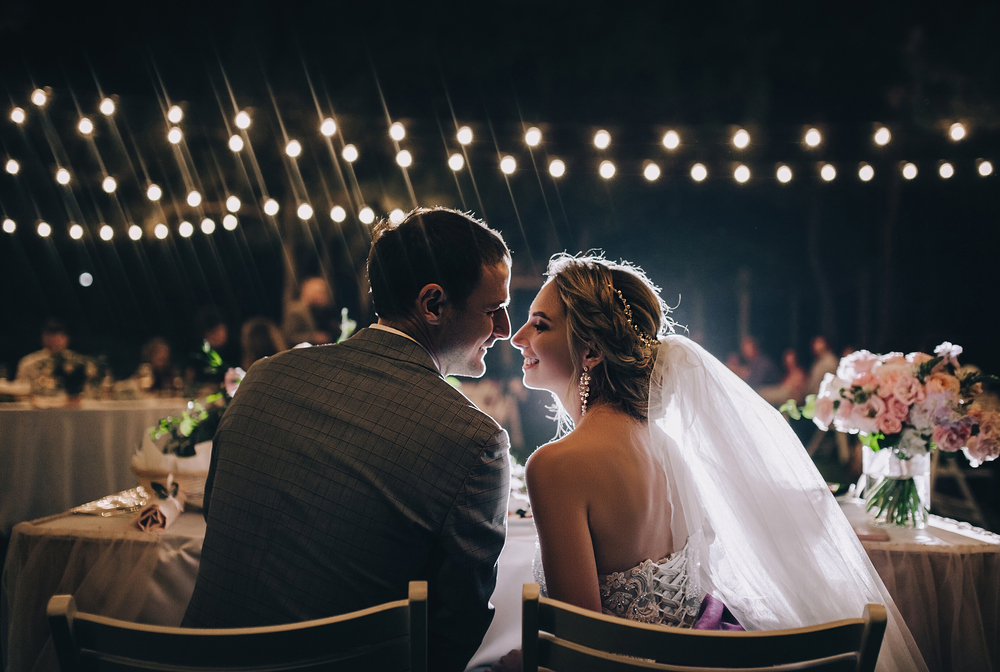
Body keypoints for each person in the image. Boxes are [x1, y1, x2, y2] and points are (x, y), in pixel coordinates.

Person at [493, 253, 926, 672]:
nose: (517, 337)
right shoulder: (669, 449)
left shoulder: (555, 466)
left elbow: (580, 652)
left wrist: (528, 662)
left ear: (591, 351)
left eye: (540, 324)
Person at [182, 207, 513, 672]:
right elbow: (453, 632)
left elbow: (219, 516)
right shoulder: (474, 441)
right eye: (493, 310)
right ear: (433, 305)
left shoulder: (264, 376)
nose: (505, 330)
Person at [14, 318, 90, 394]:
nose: (54, 340)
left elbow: (88, 389)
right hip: (38, 400)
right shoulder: (28, 363)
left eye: (58, 336)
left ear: (67, 338)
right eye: (50, 335)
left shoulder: (80, 363)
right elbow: (19, 390)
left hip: (71, 400)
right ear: (43, 337)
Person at [282, 276, 339, 345]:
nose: (323, 295)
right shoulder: (296, 310)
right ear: (309, 292)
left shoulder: (319, 310)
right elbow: (289, 337)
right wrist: (314, 338)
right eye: (320, 292)